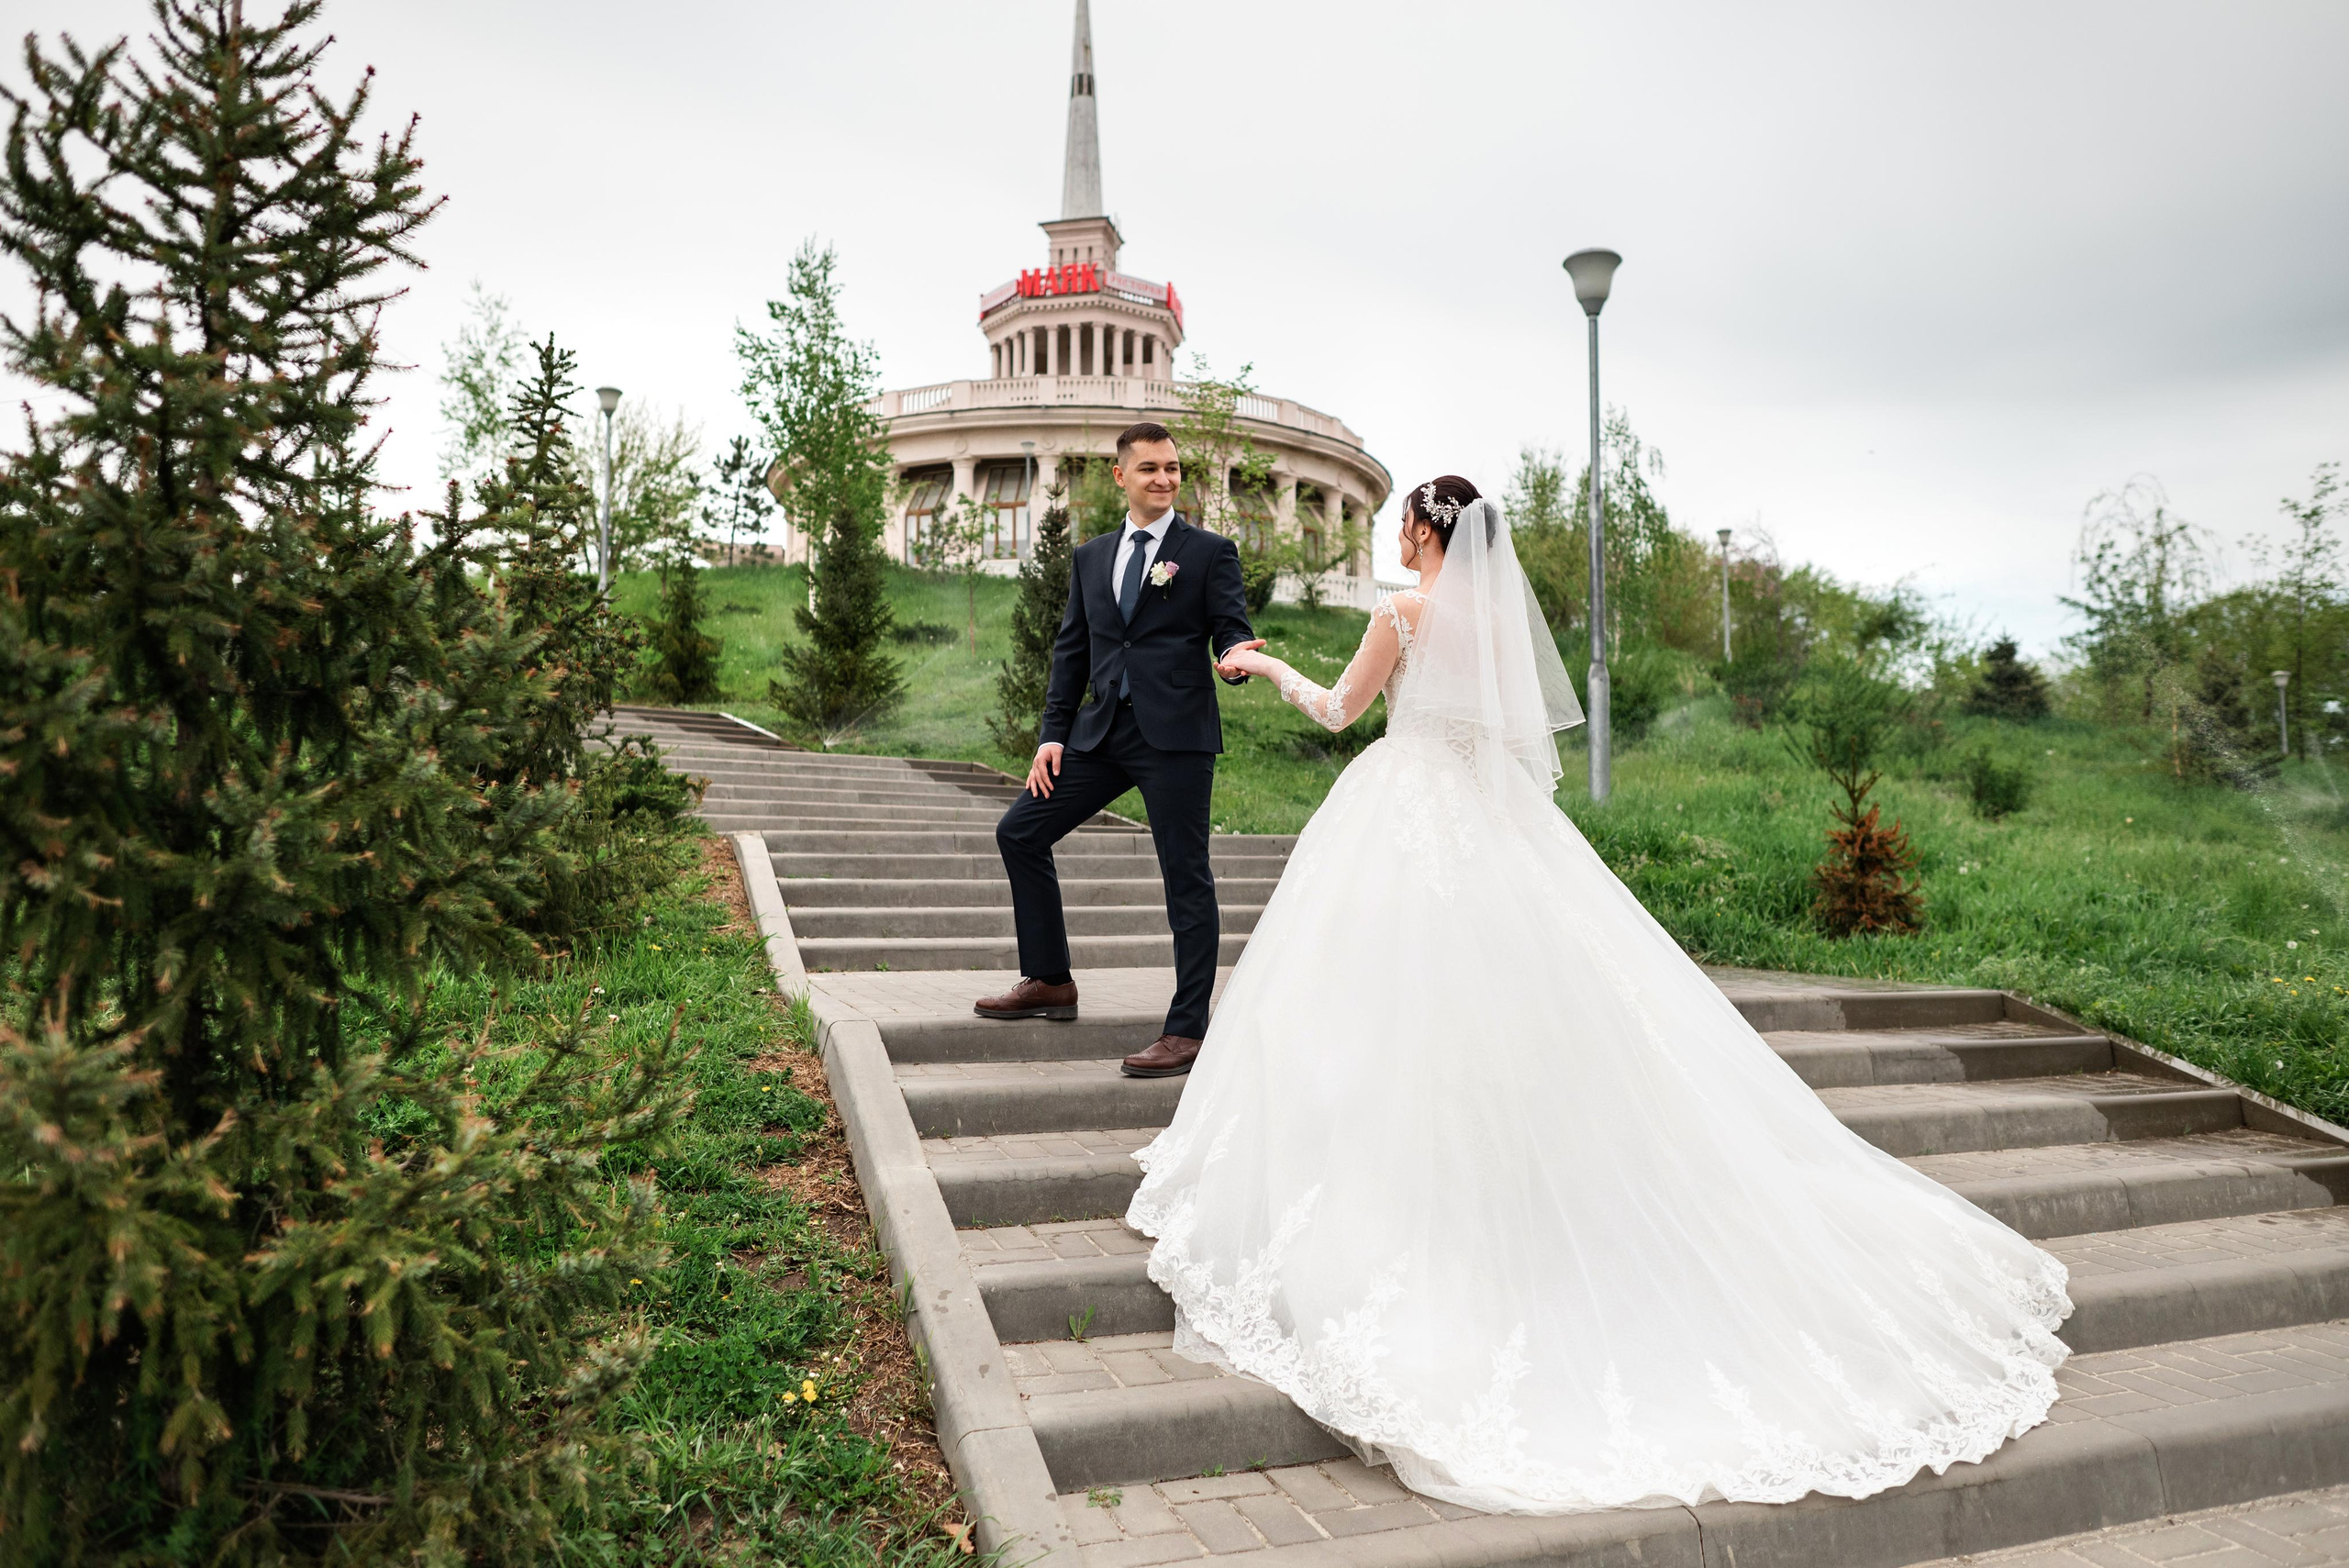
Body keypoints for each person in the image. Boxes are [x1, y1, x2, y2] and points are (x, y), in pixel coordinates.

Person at [1126, 474, 2072, 1514]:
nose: (1394, 534)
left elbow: (1340, 709)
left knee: (1369, 1016)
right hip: (1488, 836)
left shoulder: (1400, 612)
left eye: (1401, 519)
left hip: (1400, 821)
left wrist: (1263, 660)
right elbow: (1511, 748)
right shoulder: (1495, 630)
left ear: (1426, 532)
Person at [974, 421, 1263, 1077]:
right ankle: (1049, 978)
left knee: (1185, 877)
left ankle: (1188, 1028)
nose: (1164, 478)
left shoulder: (1209, 551)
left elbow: (1231, 629)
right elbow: (1072, 651)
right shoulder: (1092, 556)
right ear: (1120, 476)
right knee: (1019, 830)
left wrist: (1233, 659)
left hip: (1177, 737)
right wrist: (1051, 734)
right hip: (1100, 733)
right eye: (1150, 468)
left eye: (1173, 468)